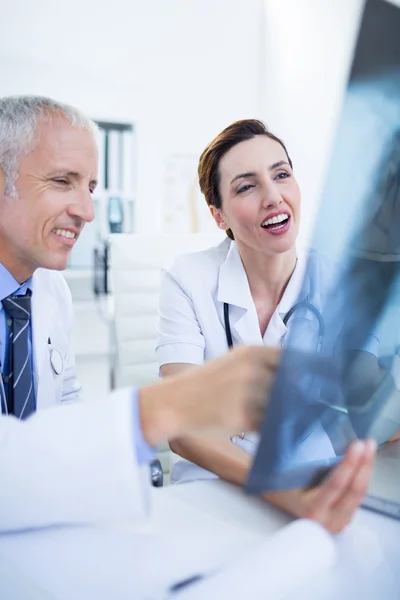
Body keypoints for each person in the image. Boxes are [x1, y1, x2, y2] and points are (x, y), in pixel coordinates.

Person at [156, 119, 378, 532]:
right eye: (246, 186)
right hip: (211, 496)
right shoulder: (187, 278)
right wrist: (281, 488)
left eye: (281, 175)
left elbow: (374, 408)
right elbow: (180, 425)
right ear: (218, 215)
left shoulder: (339, 282)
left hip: (314, 491)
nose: (273, 197)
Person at [0, 95, 98, 418]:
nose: (87, 212)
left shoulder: (52, 290)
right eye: (61, 181)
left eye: (90, 188)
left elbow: (65, 397)